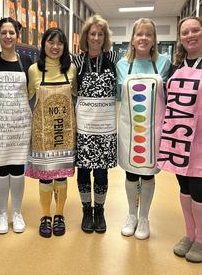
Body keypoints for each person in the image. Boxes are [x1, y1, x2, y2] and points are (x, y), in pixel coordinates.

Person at [117, 18, 170, 240]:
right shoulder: (121, 65)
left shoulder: (164, 63)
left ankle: (145, 218)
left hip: (153, 130)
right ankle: (131, 215)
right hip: (130, 130)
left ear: (154, 40)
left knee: (147, 174)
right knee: (131, 173)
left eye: (148, 35)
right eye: (139, 34)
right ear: (132, 39)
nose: (143, 38)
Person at [157, 16, 202, 263]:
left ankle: (201, 240)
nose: (190, 35)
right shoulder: (175, 67)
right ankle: (189, 233)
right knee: (184, 189)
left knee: (199, 192)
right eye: (186, 32)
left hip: (201, 142)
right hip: (179, 138)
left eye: (195, 30)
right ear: (180, 38)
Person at [0, 17, 32, 234]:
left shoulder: (27, 63)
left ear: (17, 36)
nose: (8, 36)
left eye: (12, 32)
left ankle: (17, 213)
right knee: (1, 169)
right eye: (4, 33)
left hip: (20, 125)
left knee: (18, 169)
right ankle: (2, 214)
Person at [26, 28, 77, 238]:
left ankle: (60, 215)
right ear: (44, 44)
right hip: (42, 133)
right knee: (46, 178)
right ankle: (45, 216)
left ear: (64, 47)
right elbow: (28, 98)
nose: (55, 47)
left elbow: (76, 97)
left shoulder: (71, 69)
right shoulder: (33, 70)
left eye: (59, 43)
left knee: (62, 175)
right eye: (51, 42)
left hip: (64, 132)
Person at [73, 15, 117, 233]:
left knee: (100, 172)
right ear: (86, 36)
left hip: (105, 129)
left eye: (100, 34)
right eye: (93, 34)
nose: (96, 38)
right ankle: (85, 210)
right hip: (83, 128)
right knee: (83, 171)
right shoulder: (76, 62)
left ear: (105, 37)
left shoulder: (114, 58)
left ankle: (99, 210)